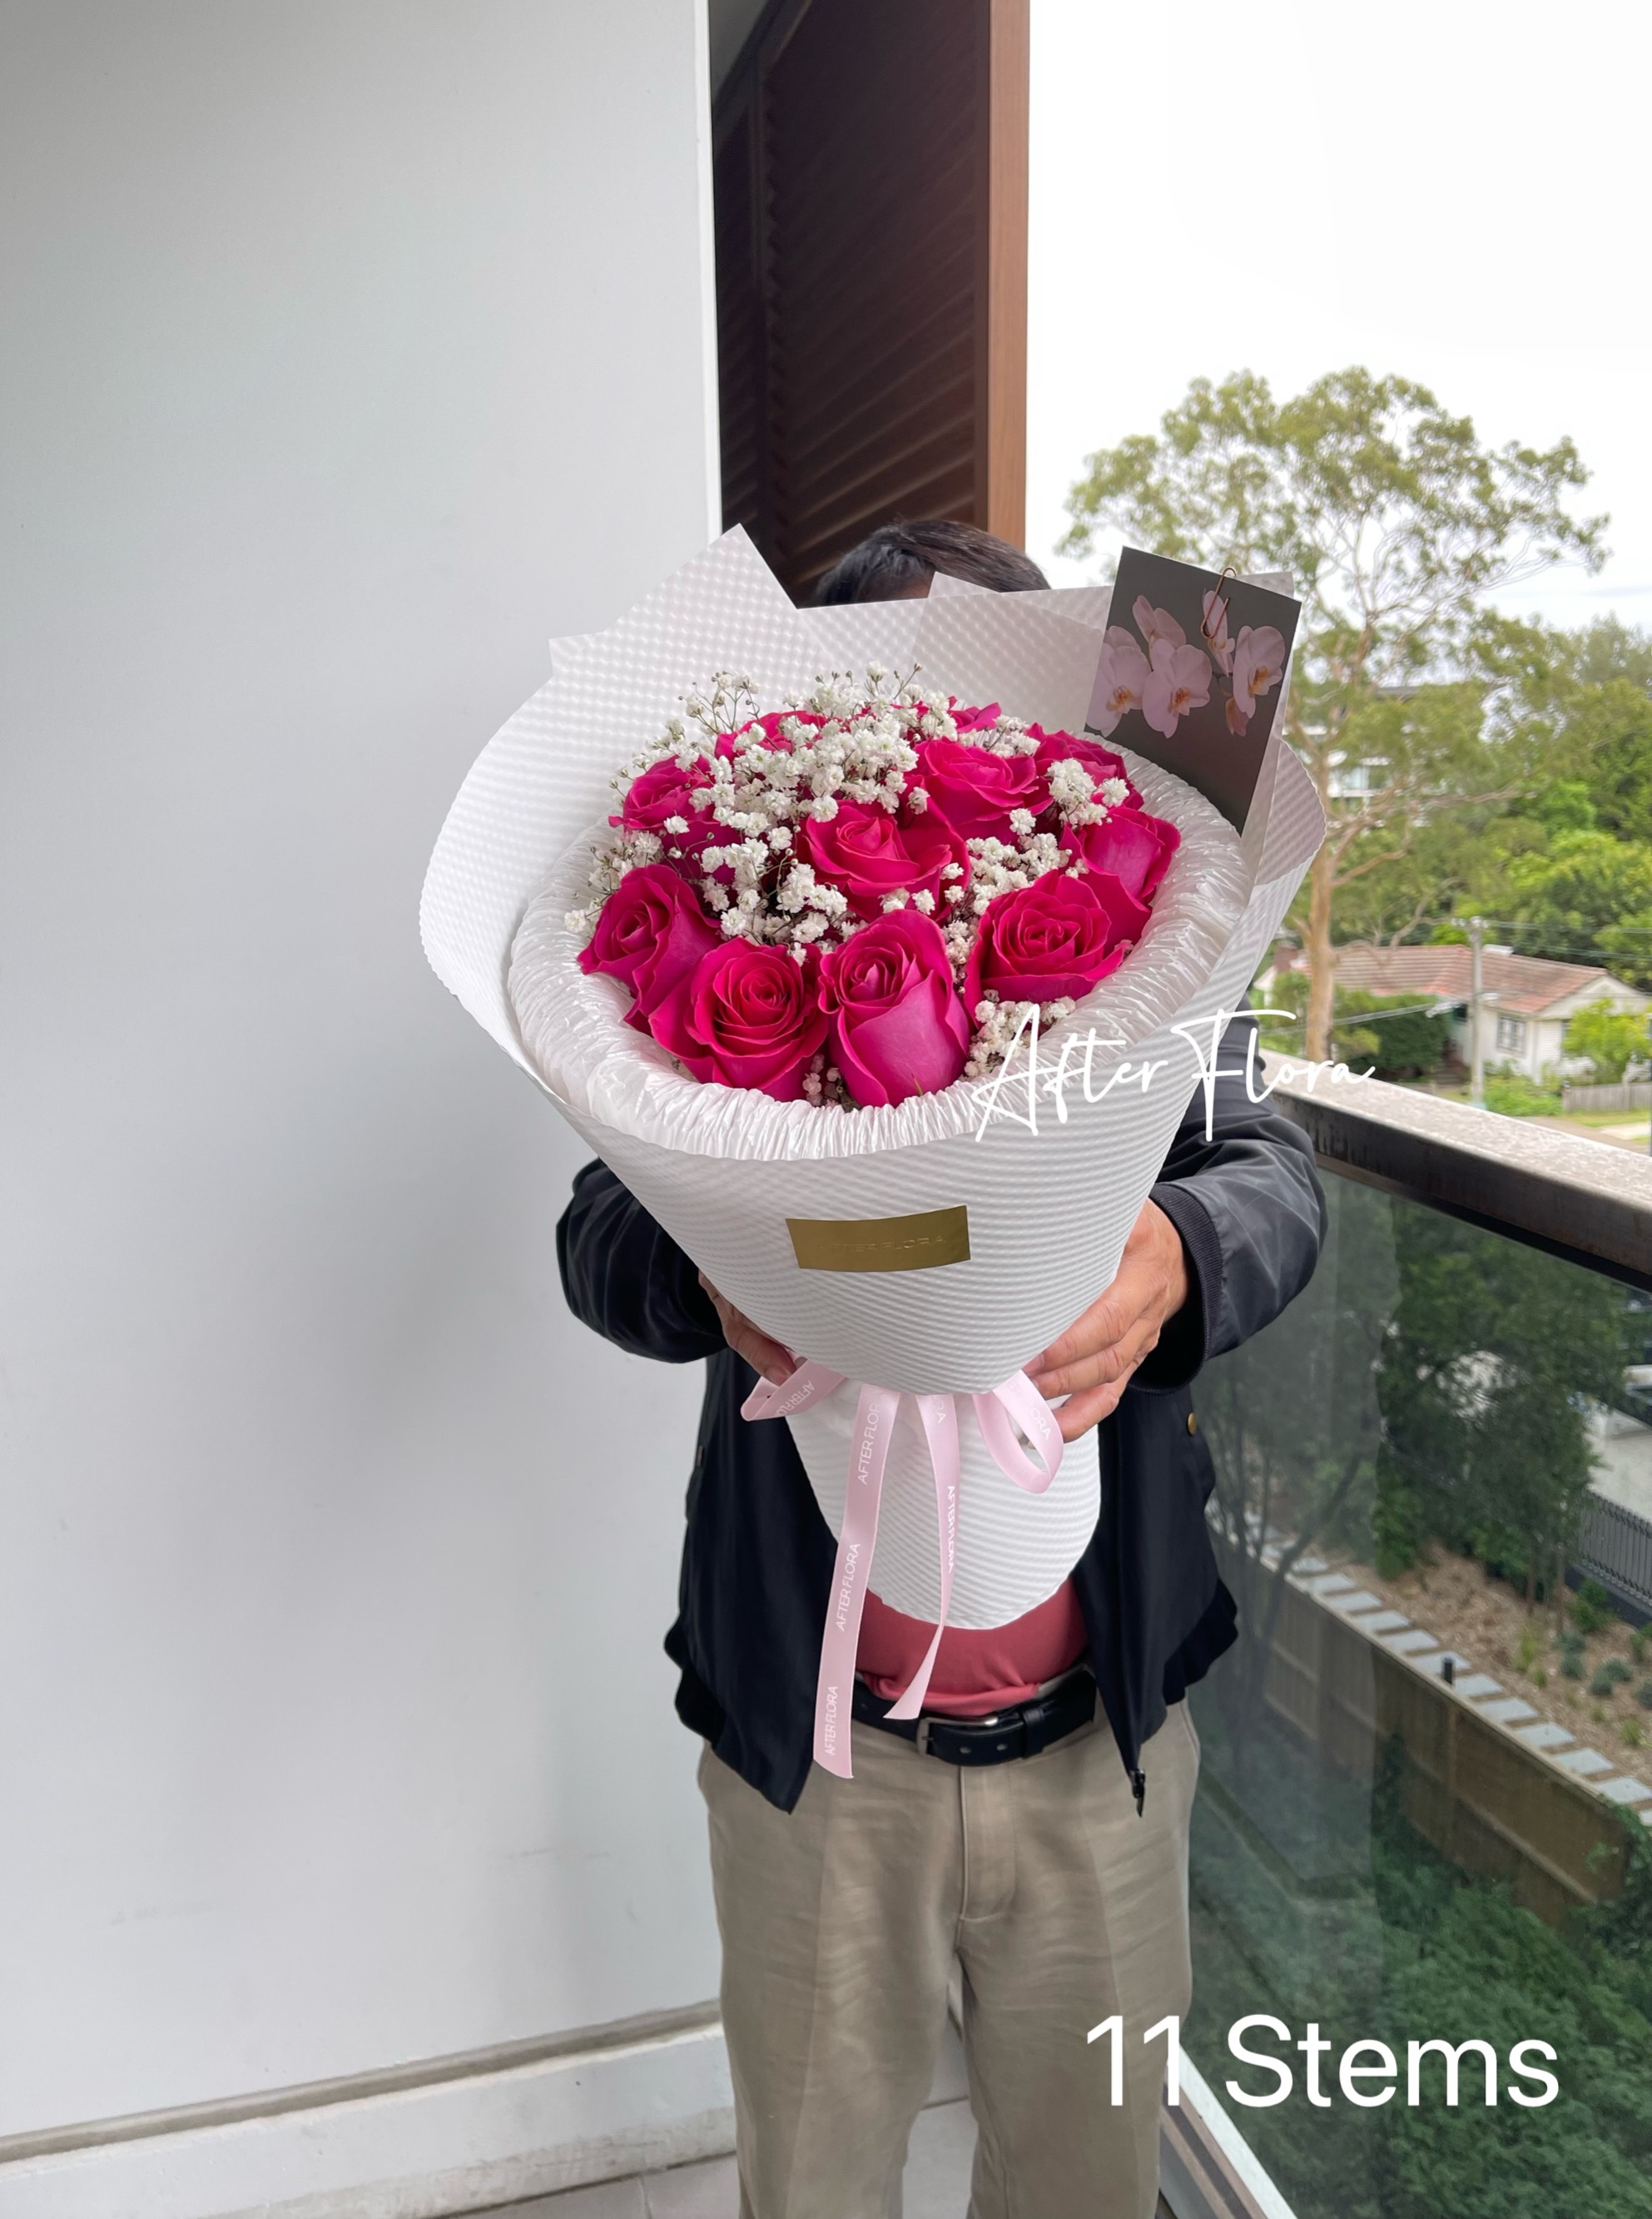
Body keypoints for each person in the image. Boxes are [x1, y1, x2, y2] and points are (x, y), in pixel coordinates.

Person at [556, 518, 1326, 2219]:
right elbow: (596, 1231)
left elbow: (1276, 1177)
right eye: (899, 702)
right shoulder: (704, 963)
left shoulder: (1158, 957)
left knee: (1085, 2183)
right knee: (813, 2182)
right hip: (818, 1766)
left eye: (985, 701)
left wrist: (1177, 1253)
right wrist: (711, 1258)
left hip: (1099, 1750)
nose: (940, 748)